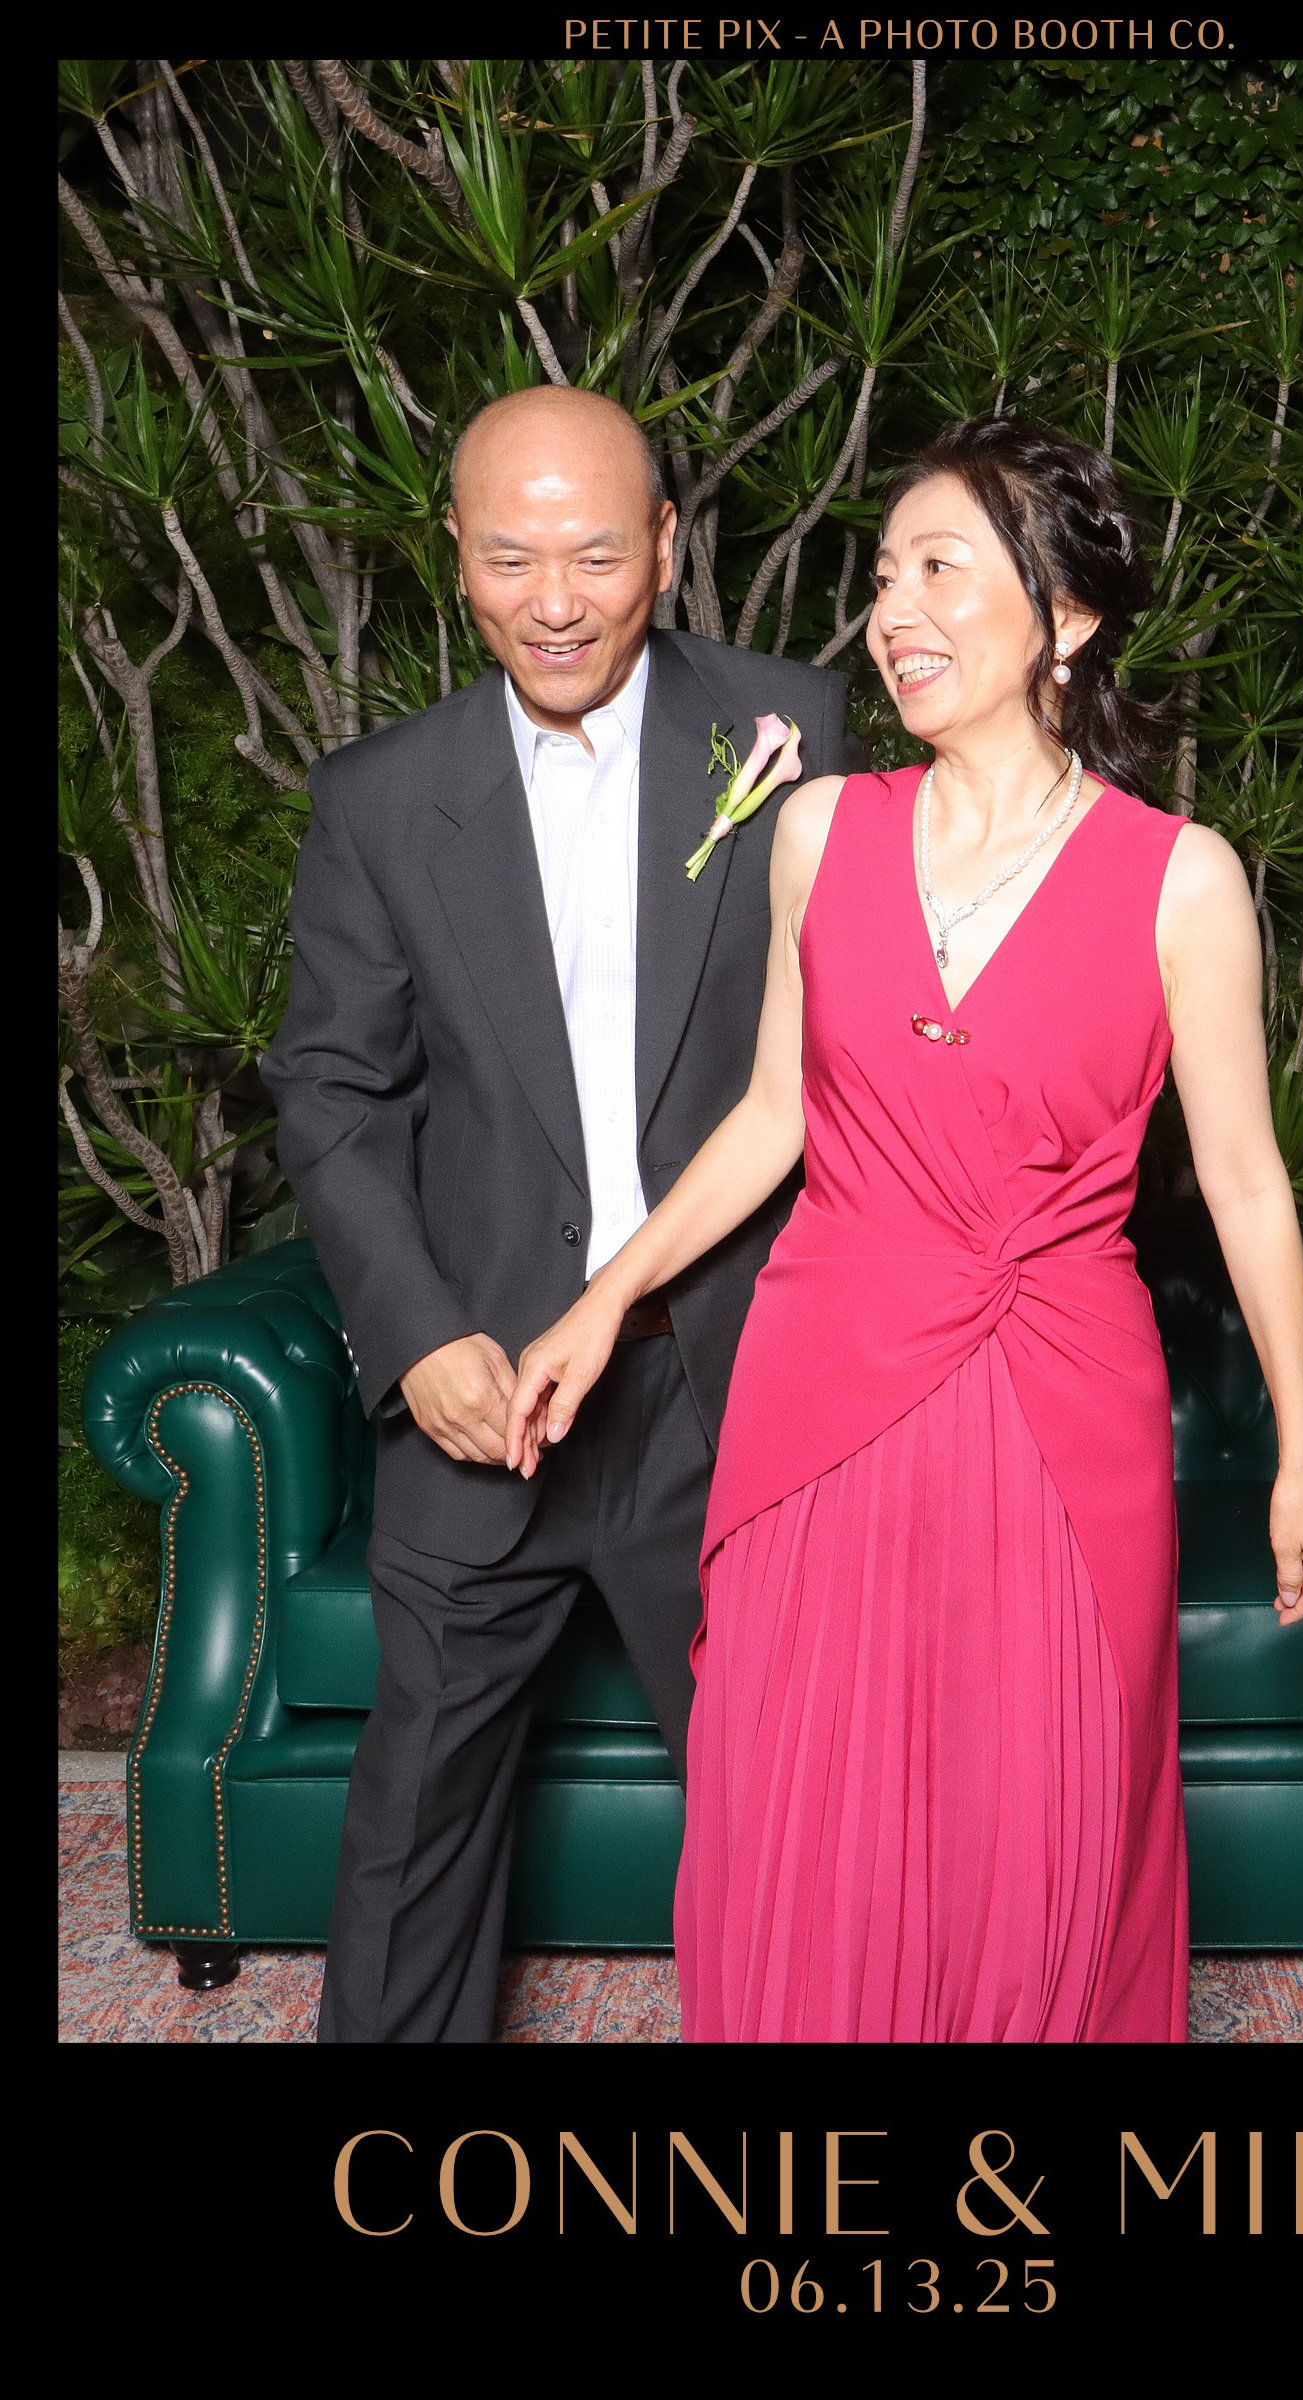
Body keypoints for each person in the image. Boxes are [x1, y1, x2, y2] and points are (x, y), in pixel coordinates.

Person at [505, 417, 1303, 2043]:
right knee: (799, 1811)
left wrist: (1302, 1452)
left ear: (1065, 618)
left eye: (941, 570)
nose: (894, 611)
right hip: (825, 1387)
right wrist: (605, 1301)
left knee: (1044, 1823)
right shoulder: (820, 829)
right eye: (884, 576)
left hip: (1058, 1404)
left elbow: (1247, 1182)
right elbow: (773, 1115)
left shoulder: (1182, 880)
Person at [260, 386, 861, 2042]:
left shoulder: (792, 728)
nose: (555, 601)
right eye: (511, 558)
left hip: (730, 1382)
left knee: (799, 1816)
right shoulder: (384, 798)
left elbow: (854, 1050)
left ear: (665, 548)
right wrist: (418, 1337)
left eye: (595, 554)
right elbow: (334, 1093)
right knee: (413, 1826)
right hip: (484, 1380)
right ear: (454, 555)